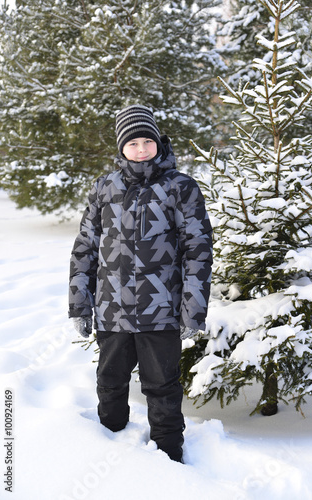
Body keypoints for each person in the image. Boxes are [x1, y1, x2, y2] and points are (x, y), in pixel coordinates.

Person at [69, 104, 213, 463]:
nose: (141, 149)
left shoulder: (180, 187)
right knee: (110, 384)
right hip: (111, 311)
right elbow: (84, 248)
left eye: (147, 140)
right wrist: (79, 305)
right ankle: (107, 449)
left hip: (160, 312)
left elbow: (198, 250)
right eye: (133, 143)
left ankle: (169, 460)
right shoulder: (104, 188)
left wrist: (193, 311)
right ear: (121, 148)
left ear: (158, 143)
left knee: (162, 388)